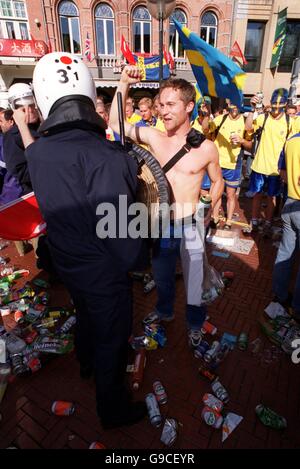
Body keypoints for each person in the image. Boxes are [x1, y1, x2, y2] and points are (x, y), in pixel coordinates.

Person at [16, 52, 147, 429]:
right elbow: (124, 239)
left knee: (85, 317)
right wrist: (140, 257)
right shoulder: (110, 157)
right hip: (104, 271)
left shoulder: (37, 153)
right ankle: (112, 408)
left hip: (68, 262)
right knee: (113, 336)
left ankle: (86, 362)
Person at [109, 65, 224, 347]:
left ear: (189, 106)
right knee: (162, 277)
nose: (163, 110)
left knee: (195, 283)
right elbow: (114, 125)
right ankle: (165, 311)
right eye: (160, 104)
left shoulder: (207, 148)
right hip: (160, 223)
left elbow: (218, 180)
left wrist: (214, 205)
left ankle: (195, 323)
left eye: (170, 104)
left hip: (192, 224)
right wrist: (123, 82)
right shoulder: (155, 137)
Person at [245, 88, 300, 236]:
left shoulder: (291, 121)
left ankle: (268, 222)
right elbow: (248, 128)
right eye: (273, 106)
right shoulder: (264, 118)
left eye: (279, 107)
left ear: (285, 106)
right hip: (259, 166)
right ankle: (255, 221)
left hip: (276, 170)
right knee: (256, 194)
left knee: (272, 197)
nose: (275, 110)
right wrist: (251, 109)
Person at [202, 102, 253, 229]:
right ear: (228, 105)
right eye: (231, 104)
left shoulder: (245, 121)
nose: (234, 108)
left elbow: (250, 145)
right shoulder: (221, 118)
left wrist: (241, 140)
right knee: (216, 193)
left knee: (231, 195)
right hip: (217, 163)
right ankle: (215, 218)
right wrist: (207, 115)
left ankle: (229, 221)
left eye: (236, 105)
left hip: (233, 164)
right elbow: (205, 130)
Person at [272, 131, 300, 321]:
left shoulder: (291, 140)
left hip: (290, 201)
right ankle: (297, 307)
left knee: (285, 251)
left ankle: (279, 294)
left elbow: (282, 173)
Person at [3, 83, 40, 195]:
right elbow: (20, 171)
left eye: (31, 104)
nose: (29, 110)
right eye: (21, 106)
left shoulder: (45, 127)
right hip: (33, 192)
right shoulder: (12, 136)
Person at [0, 108, 22, 205]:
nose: (0, 124)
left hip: (12, 196)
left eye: (1, 121)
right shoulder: (27, 135)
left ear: (11, 122)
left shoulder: (7, 141)